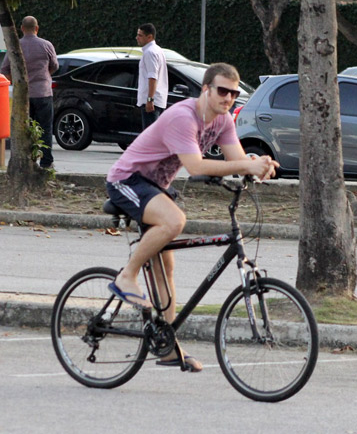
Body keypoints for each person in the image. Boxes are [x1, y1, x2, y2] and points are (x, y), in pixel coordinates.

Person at [106, 63, 279, 372]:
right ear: (206, 90)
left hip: (154, 186)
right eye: (222, 91)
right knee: (174, 221)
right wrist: (247, 166)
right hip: (127, 180)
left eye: (233, 93)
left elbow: (237, 160)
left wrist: (257, 163)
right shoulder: (183, 118)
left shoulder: (223, 120)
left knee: (166, 269)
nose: (228, 98)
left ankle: (167, 347)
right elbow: (196, 167)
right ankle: (126, 276)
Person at [1, 16, 59, 169]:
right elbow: (55, 66)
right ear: (37, 28)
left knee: (26, 130)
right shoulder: (46, 45)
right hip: (43, 94)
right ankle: (46, 162)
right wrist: (44, 76)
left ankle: (29, 161)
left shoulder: (16, 46)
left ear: (21, 28)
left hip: (24, 96)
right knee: (45, 129)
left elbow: (4, 69)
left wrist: (16, 82)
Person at [135, 23, 168, 129]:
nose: (137, 38)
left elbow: (153, 77)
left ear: (149, 37)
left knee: (150, 137)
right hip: (157, 100)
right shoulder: (157, 50)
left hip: (151, 102)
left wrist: (150, 99)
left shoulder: (150, 52)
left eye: (140, 35)